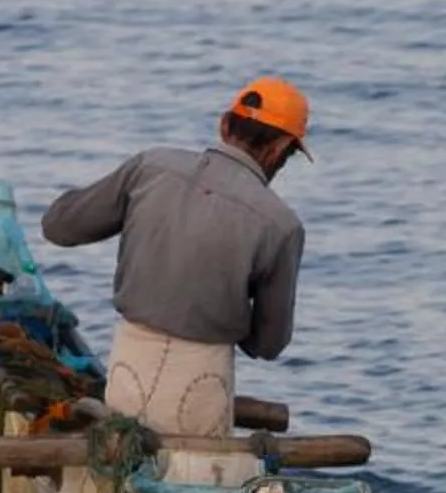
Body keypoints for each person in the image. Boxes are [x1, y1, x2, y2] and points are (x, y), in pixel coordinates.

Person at [39, 79, 310, 439]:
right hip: (203, 391)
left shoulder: (151, 167)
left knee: (120, 454)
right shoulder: (282, 225)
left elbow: (59, 227)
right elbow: (268, 344)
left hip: (127, 373)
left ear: (225, 125)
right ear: (279, 151)